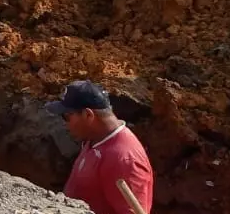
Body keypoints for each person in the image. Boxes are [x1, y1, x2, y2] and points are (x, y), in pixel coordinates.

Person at [46, 80, 154, 214]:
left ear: (88, 115)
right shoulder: (94, 138)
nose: (65, 124)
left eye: (66, 116)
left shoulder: (124, 160)